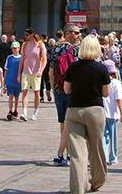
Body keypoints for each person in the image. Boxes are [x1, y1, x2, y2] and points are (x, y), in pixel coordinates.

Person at [62, 35, 111, 193]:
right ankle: (97, 180)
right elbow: (105, 93)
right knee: (96, 148)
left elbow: (66, 89)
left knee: (77, 153)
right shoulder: (101, 68)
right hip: (94, 111)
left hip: (74, 110)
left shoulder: (73, 67)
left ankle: (78, 188)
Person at [48, 25, 81, 165]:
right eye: (77, 33)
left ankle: (65, 153)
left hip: (59, 89)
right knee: (73, 122)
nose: (79, 35)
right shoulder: (79, 50)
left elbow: (51, 72)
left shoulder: (56, 48)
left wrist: (52, 88)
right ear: (68, 33)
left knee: (63, 123)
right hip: (75, 90)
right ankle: (69, 154)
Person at [101, 58, 122, 166]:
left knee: (104, 136)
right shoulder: (116, 83)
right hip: (113, 113)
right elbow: (118, 99)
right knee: (113, 137)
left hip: (102, 112)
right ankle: (113, 157)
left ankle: (104, 157)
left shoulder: (100, 82)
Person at [19, 30, 45, 121]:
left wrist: (40, 71)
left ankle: (35, 112)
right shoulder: (24, 45)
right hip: (26, 71)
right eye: (24, 34)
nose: (25, 36)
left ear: (32, 35)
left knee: (36, 92)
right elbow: (21, 60)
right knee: (24, 92)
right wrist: (19, 73)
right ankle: (24, 113)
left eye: (27, 35)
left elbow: (44, 59)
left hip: (36, 72)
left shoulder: (40, 44)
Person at [4, 41, 23, 120]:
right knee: (11, 96)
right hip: (10, 79)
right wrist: (4, 80)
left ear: (19, 48)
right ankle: (10, 110)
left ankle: (16, 110)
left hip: (18, 80)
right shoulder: (9, 57)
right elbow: (6, 69)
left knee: (17, 96)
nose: (15, 50)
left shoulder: (21, 58)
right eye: (13, 48)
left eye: (16, 48)